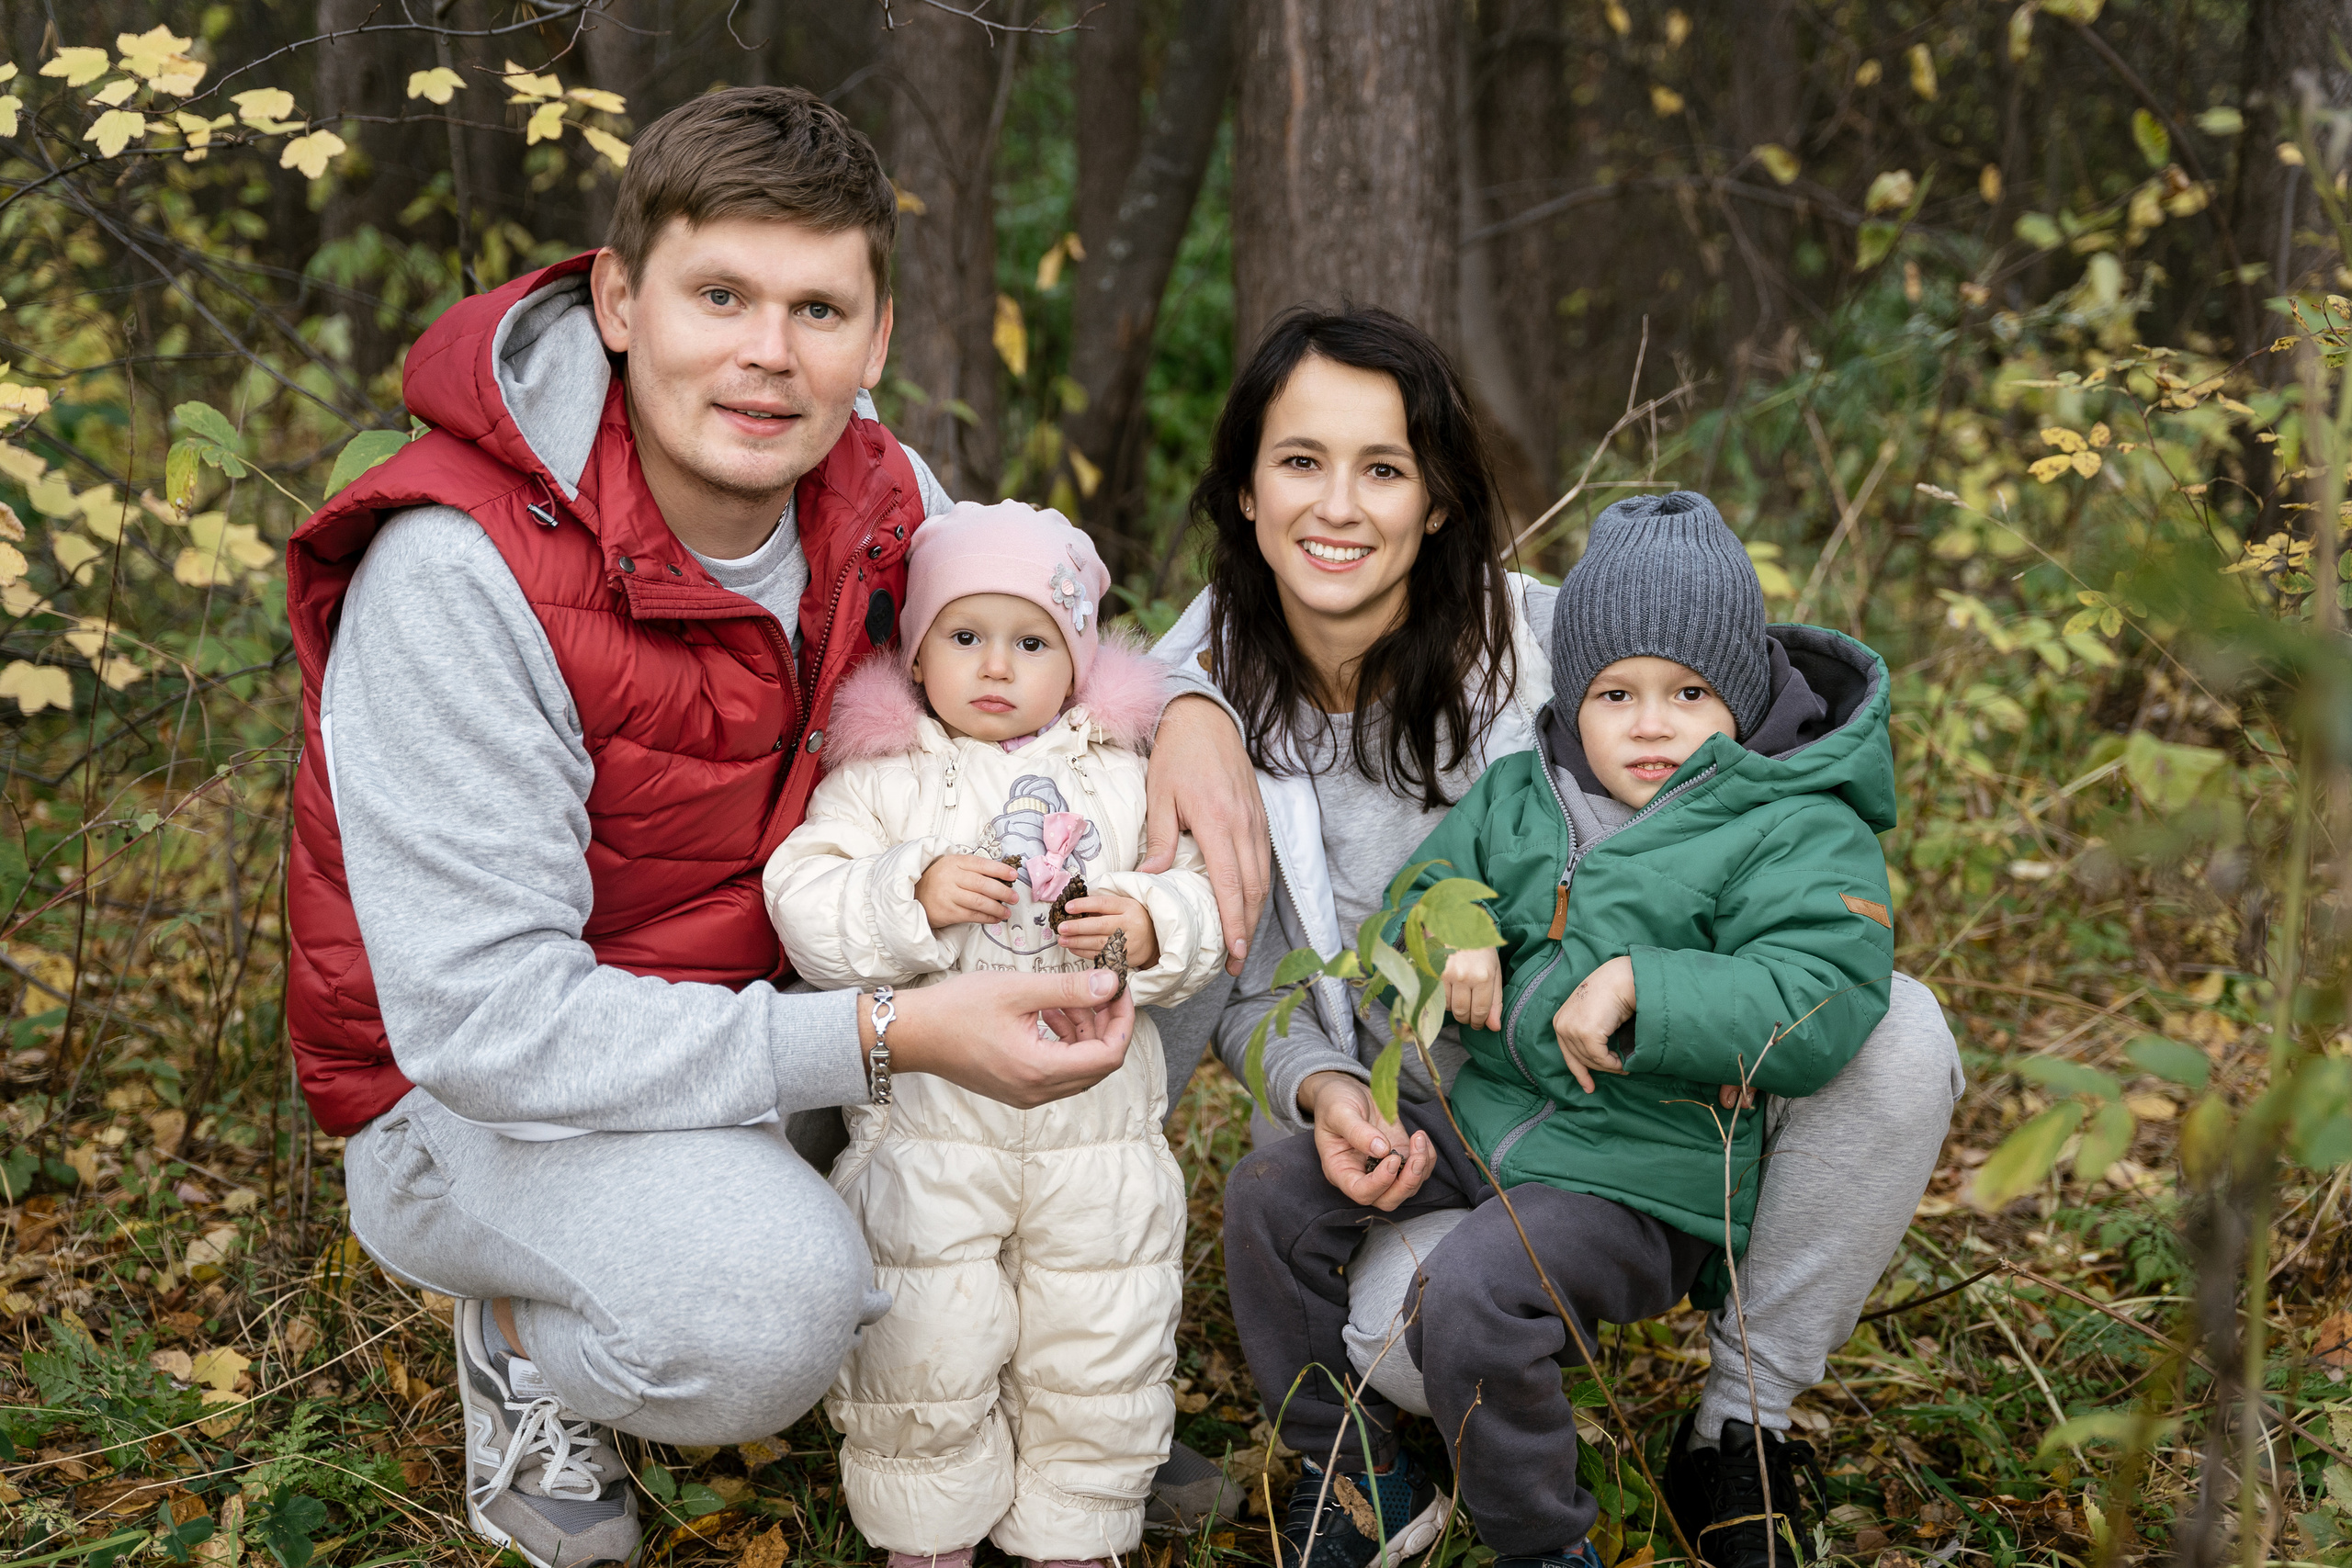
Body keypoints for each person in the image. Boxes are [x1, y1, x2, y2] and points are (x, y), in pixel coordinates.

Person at [285, 89, 1266, 1568]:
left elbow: (1041, 630)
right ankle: (529, 1339)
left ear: (875, 340)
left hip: (778, 1001)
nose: (769, 353)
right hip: (485, 1100)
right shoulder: (455, 575)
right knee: (765, 1312)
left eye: (818, 309)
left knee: (1169, 883)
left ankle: (1044, 1365)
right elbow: (486, 1023)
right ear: (621, 300)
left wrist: (1189, 712)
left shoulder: (884, 495)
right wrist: (888, 1034)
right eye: (721, 295)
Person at [1148, 306, 1963, 1568]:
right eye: (1301, 460)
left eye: (1384, 467)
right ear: (1246, 489)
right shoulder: (1208, 707)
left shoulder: (1558, 648)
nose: (1339, 505)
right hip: (1435, 1109)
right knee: (1390, 1317)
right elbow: (1339, 940)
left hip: (1635, 1123)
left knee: (1898, 1031)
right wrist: (1184, 704)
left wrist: (1652, 987)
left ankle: (1740, 1428)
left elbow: (1722, 713)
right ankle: (1347, 1464)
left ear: (1438, 500)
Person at [765, 502, 1228, 1568]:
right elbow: (805, 903)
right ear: (917, 651)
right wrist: (910, 893)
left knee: (1099, 1341)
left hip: (1097, 1142)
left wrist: (1152, 922)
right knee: (925, 1339)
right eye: (965, 635)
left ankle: (1076, 1529)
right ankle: (927, 1532)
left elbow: (1203, 897)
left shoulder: (1122, 775)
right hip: (929, 1138)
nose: (994, 666)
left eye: (1031, 643)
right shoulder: (879, 781)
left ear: (1076, 662)